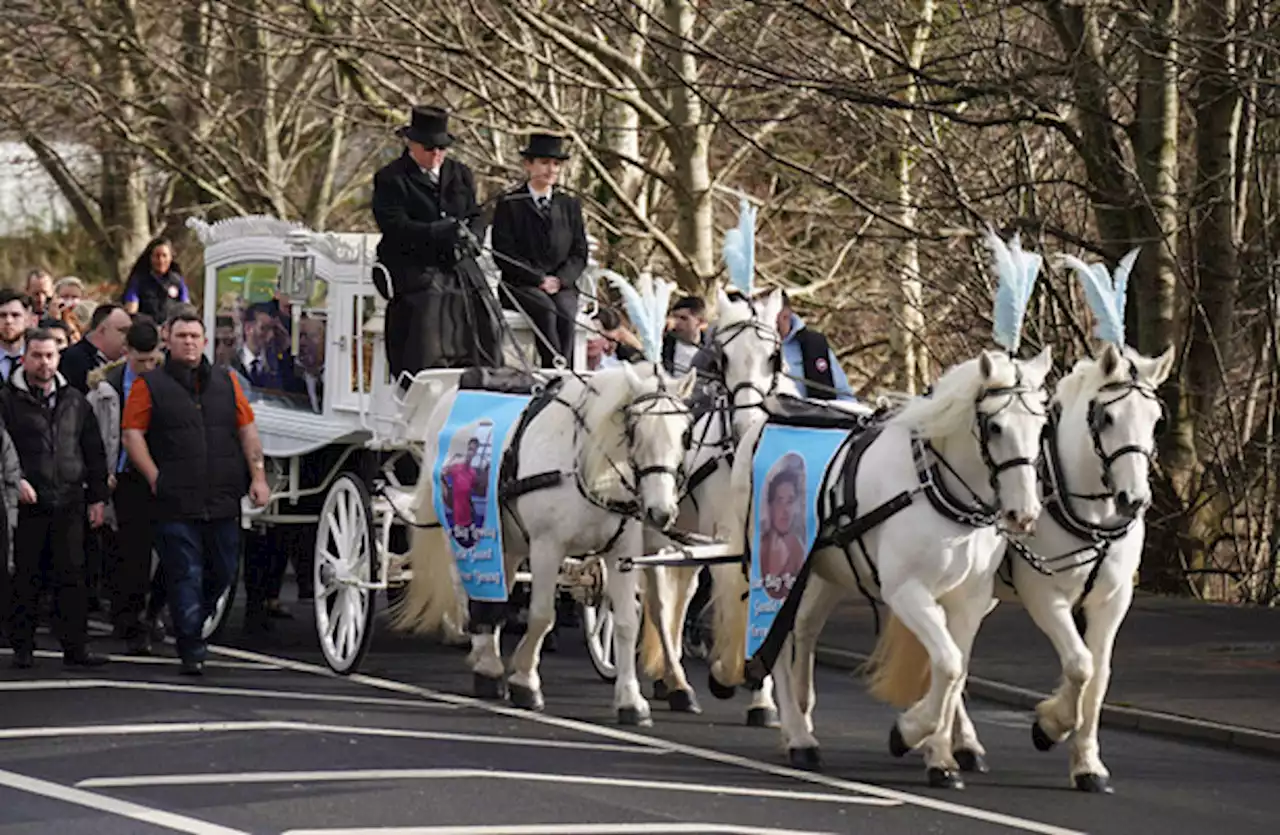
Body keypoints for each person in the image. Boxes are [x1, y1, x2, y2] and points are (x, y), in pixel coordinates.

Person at [121, 311, 270, 675]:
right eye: (182, 335)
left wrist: (258, 476)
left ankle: (163, 608)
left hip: (223, 495)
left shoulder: (227, 381)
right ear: (166, 341)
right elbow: (132, 434)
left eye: (194, 336)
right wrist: (154, 476)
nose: (189, 342)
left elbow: (248, 430)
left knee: (221, 572)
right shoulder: (149, 384)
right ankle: (191, 646)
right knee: (185, 571)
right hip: (175, 498)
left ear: (205, 342)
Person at [1, 329, 110, 669]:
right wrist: (14, 480)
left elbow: (93, 450)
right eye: (37, 356)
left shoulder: (75, 399)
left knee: (72, 578)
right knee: (26, 578)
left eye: (50, 356)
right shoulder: (6, 400)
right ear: (24, 358)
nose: (44, 363)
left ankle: (76, 649)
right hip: (27, 504)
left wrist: (98, 498)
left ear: (58, 358)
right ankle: (23, 647)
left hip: (69, 501)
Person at [371, 105, 500, 379]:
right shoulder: (391, 178)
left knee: (482, 302)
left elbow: (475, 214)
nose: (436, 155)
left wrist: (473, 239)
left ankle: (484, 371)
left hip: (456, 259)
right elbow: (394, 226)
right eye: (430, 149)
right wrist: (436, 231)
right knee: (430, 301)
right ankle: (426, 375)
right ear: (412, 144)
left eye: (441, 149)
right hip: (413, 260)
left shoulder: (460, 173)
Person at [87, 319, 164, 654]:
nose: (147, 366)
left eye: (152, 359)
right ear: (127, 352)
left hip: (159, 472)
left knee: (169, 552)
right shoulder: (109, 388)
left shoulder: (166, 382)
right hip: (124, 476)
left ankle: (150, 611)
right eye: (140, 359)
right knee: (131, 553)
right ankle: (130, 619)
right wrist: (103, 472)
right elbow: (97, 435)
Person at [490, 133, 589, 368]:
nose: (551, 169)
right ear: (528, 164)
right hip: (521, 284)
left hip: (561, 284)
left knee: (565, 311)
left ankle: (564, 371)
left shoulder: (569, 205)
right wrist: (537, 279)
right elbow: (502, 252)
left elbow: (579, 252)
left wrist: (560, 280)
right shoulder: (510, 203)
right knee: (545, 309)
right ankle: (553, 368)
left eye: (556, 164)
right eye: (544, 163)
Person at [776, 292, 855, 401]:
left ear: (788, 313)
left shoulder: (814, 344)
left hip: (814, 414)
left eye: (782, 317)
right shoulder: (752, 346)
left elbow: (844, 394)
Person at [59, 303, 132, 393]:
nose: (129, 337)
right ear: (102, 330)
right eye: (123, 331)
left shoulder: (129, 362)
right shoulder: (72, 359)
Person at [760, 467, 806, 602]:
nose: (785, 510)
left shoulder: (799, 552)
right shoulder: (760, 546)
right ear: (770, 505)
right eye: (779, 501)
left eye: (790, 501)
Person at [121, 237, 190, 324]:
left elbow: (186, 308)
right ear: (150, 257)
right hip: (146, 330)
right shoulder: (138, 280)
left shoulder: (178, 281)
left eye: (164, 256)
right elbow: (131, 310)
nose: (161, 260)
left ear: (171, 257)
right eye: (157, 256)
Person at [662, 296, 707, 375]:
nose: (677, 323)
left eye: (684, 318)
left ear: (700, 322)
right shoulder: (663, 345)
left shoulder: (710, 349)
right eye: (675, 317)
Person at [0, 290, 30, 381]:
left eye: (15, 315)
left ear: (27, 319)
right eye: (2, 315)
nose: (9, 321)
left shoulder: (39, 356)